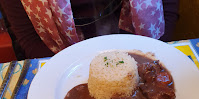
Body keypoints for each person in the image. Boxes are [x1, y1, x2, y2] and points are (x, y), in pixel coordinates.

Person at [0, 0, 179, 60]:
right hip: (61, 58)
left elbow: (167, 9)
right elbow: (29, 39)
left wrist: (150, 57)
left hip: (142, 48)